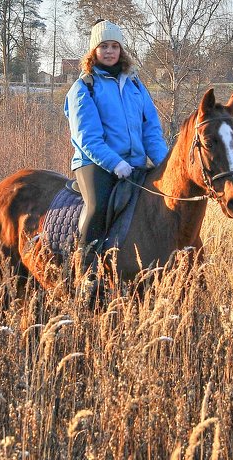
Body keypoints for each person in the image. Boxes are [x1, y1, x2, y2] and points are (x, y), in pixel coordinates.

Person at [64, 19, 169, 299]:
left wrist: (163, 163)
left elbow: (151, 128)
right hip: (94, 163)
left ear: (121, 50)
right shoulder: (83, 87)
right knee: (98, 206)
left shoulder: (135, 84)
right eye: (103, 46)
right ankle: (85, 275)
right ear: (93, 51)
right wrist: (115, 164)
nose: (109, 51)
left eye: (114, 46)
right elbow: (87, 138)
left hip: (134, 163)